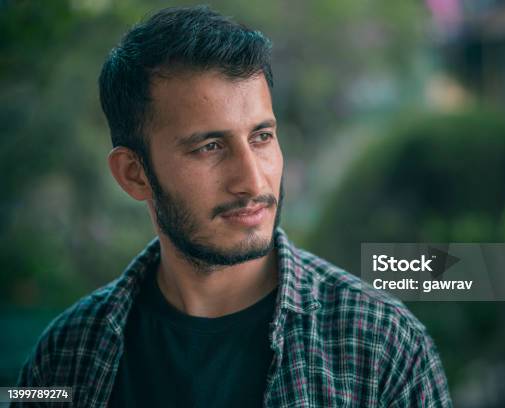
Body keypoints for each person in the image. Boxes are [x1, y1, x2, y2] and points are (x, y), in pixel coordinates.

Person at [14, 5, 452, 407]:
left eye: (261, 137)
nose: (253, 180)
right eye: (209, 147)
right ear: (134, 174)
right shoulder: (66, 356)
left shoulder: (382, 344)